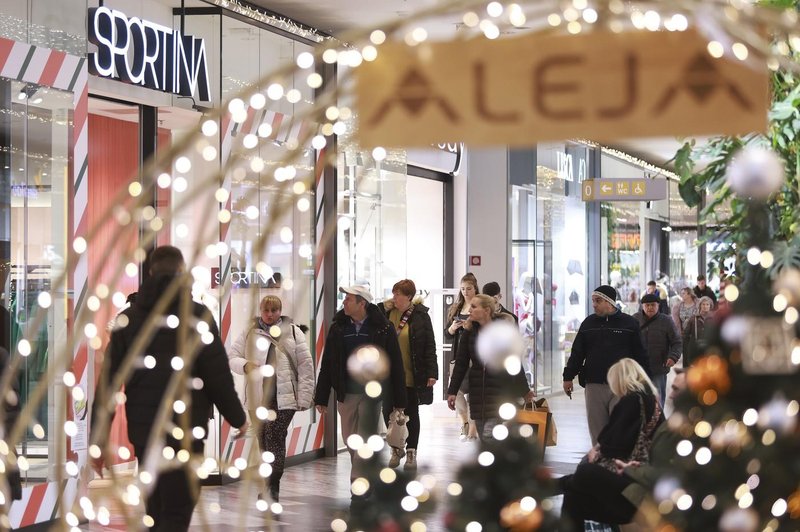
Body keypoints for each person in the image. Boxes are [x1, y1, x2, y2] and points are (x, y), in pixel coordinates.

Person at [91, 246, 247, 531]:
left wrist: (98, 439)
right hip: (187, 425)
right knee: (179, 507)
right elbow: (217, 375)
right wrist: (238, 417)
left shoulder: (129, 319)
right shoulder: (198, 316)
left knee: (155, 505)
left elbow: (108, 384)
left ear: (150, 272)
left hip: (144, 428)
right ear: (181, 271)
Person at [558, 365, 680, 531]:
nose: (671, 394)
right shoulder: (650, 399)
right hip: (638, 479)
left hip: (636, 488)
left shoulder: (632, 401)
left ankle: (549, 486)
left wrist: (599, 451)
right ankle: (552, 485)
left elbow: (612, 444)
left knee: (585, 472)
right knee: (573, 496)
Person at [314, 285, 406, 495]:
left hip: (372, 393)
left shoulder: (383, 328)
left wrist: (400, 400)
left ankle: (358, 482)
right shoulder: (338, 327)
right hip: (346, 392)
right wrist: (321, 396)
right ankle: (367, 472)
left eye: (348, 299)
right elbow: (329, 362)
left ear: (361, 303)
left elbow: (395, 364)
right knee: (349, 438)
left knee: (364, 435)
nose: (344, 302)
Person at [227, 295, 314, 501]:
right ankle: (268, 485)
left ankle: (273, 487)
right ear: (261, 310)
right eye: (266, 311)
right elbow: (232, 357)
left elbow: (305, 366)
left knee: (274, 438)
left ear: (280, 311)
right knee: (263, 442)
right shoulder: (250, 332)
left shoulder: (293, 332)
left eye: (274, 311)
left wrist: (304, 397)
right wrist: (245, 365)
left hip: (284, 399)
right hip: (257, 399)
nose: (270, 314)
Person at [562, 285, 649, 445]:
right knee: (597, 431)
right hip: (594, 384)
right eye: (593, 301)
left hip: (622, 384)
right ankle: (599, 463)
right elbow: (577, 353)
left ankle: (617, 464)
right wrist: (568, 376)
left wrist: (644, 382)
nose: (594, 304)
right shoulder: (588, 323)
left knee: (620, 428)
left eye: (598, 301)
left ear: (609, 302)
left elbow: (640, 354)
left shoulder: (629, 324)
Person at [446, 294, 533, 440]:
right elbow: (461, 363)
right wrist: (452, 391)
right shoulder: (469, 332)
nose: (469, 310)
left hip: (500, 391)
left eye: (474, 307)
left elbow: (514, 362)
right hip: (478, 394)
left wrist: (525, 390)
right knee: (485, 438)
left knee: (490, 436)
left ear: (486, 310)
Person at [377, 280, 438, 470]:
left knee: (410, 413)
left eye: (398, 294)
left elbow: (430, 345)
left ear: (409, 297)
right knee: (389, 412)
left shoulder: (420, 316)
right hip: (388, 376)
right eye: (393, 293)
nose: (394, 297)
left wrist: (432, 372)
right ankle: (396, 448)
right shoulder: (386, 313)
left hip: (412, 373)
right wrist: (381, 306)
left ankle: (411, 451)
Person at [445, 273, 479, 440]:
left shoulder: (479, 307)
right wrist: (452, 328)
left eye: (469, 288)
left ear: (475, 288)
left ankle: (473, 426)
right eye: (463, 289)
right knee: (455, 390)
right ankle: (464, 421)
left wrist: (469, 327)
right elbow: (447, 334)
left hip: (474, 356)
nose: (466, 292)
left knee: (473, 392)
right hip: (457, 356)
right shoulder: (456, 308)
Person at [633, 293, 681, 405]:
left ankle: (659, 421)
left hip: (659, 367)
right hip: (638, 368)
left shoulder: (666, 320)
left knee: (658, 399)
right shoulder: (635, 319)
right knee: (638, 399)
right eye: (647, 305)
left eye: (653, 305)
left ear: (658, 306)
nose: (650, 307)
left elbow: (677, 342)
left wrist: (673, 357)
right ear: (642, 306)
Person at [681, 296, 715, 366]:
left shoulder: (714, 318)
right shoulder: (693, 319)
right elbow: (686, 335)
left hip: (709, 349)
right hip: (695, 349)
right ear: (700, 305)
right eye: (703, 304)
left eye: (707, 304)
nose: (705, 306)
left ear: (710, 306)